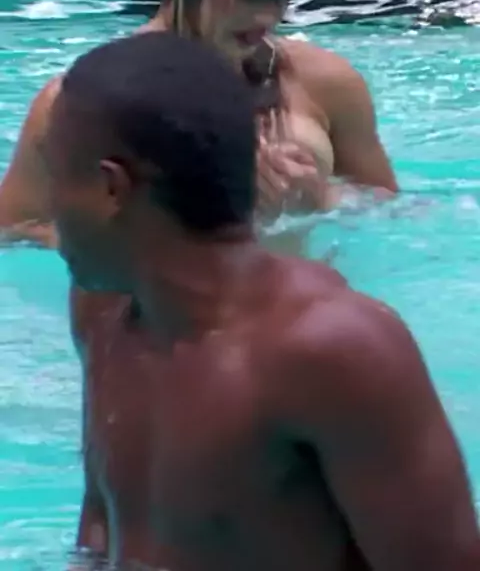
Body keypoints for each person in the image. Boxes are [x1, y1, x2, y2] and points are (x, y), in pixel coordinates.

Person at [46, 32, 479, 571]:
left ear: (112, 187)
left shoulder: (333, 353)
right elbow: (101, 525)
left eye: (54, 175)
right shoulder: (103, 311)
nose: (49, 207)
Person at [0, 0, 396, 248]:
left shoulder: (325, 84)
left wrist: (322, 200)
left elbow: (394, 211)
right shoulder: (79, 104)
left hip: (298, 293)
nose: (268, 15)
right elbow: (12, 232)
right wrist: (182, 228)